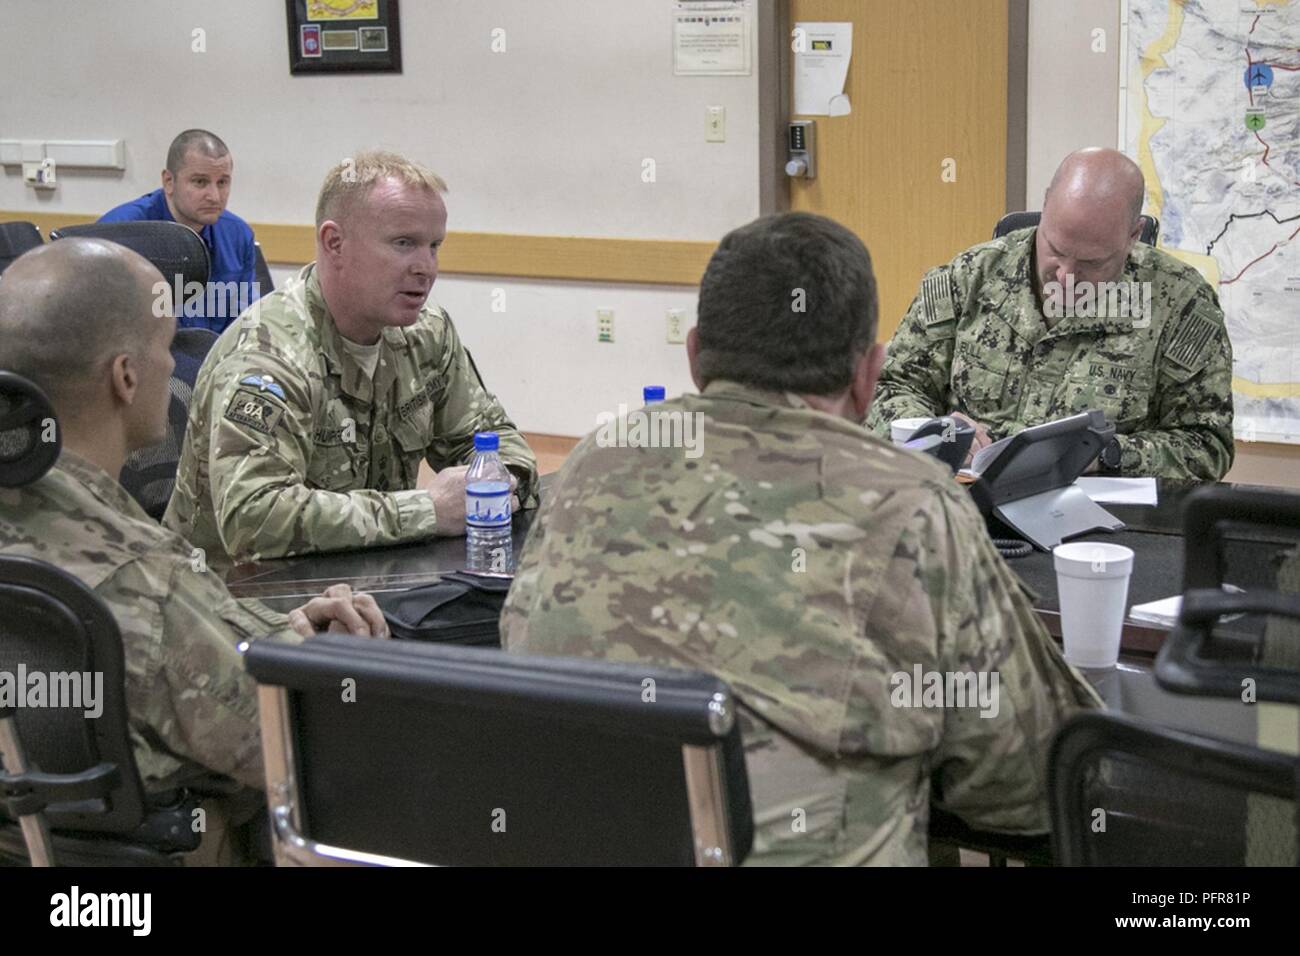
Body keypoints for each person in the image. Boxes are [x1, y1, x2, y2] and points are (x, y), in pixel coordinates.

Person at [500, 211, 1101, 866]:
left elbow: (522, 642)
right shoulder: (914, 504)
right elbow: (1024, 785)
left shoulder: (592, 463)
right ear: (869, 377)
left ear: (696, 355)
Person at [0, 239, 388, 863]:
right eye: (167, 345)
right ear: (125, 375)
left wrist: (270, 631)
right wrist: (343, 667)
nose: (172, 364)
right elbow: (295, 750)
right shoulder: (148, 579)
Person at [164, 149, 538, 573]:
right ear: (334, 242)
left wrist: (499, 480)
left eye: (434, 246)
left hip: (366, 582)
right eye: (403, 244)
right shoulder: (268, 357)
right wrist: (427, 509)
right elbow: (255, 520)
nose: (426, 267)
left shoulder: (426, 333)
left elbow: (492, 441)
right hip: (241, 598)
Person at [867, 147, 1234, 481]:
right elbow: (888, 388)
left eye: (1092, 262)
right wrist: (936, 431)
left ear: (1134, 234)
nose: (1066, 276)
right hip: (963, 509)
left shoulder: (1182, 304)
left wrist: (1105, 454)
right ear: (1044, 207)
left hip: (1100, 524)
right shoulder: (967, 278)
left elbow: (1206, 446)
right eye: (1055, 249)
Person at [100, 129, 259, 334]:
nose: (215, 196)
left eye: (222, 182)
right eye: (200, 182)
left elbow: (247, 325)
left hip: (215, 362)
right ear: (169, 182)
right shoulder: (119, 233)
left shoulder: (238, 236)